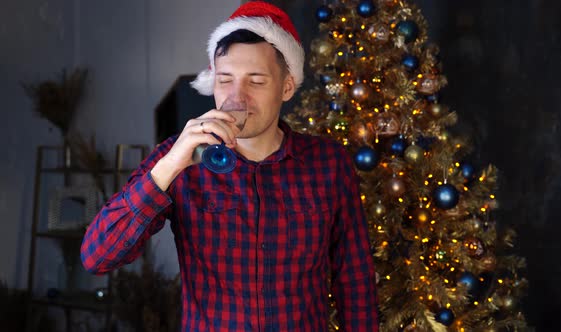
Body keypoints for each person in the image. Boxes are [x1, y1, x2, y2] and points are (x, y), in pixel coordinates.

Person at [81, 2, 379, 331]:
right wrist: (168, 168)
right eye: (225, 80)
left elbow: (354, 280)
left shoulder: (328, 162)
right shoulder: (179, 157)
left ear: (287, 87)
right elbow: (97, 256)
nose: (237, 97)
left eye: (256, 81)